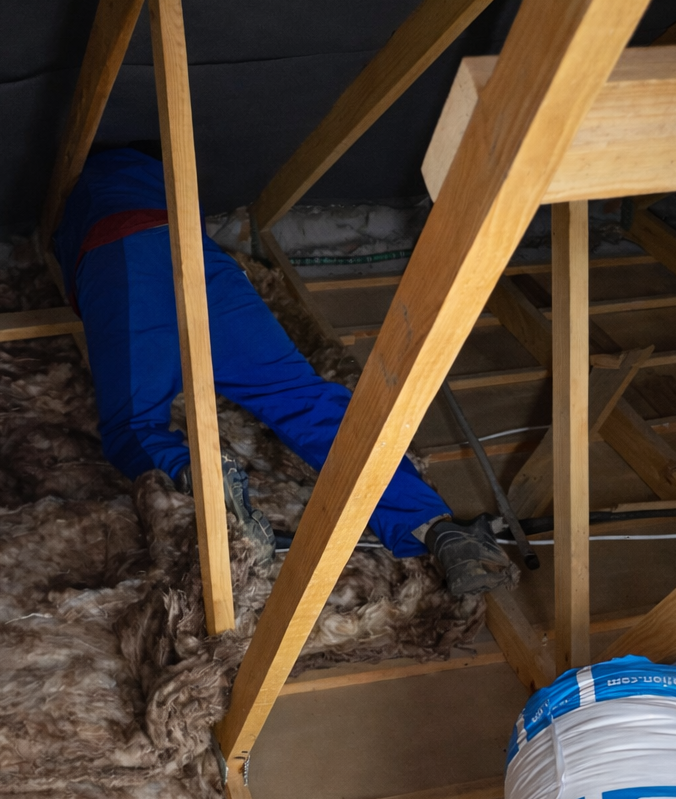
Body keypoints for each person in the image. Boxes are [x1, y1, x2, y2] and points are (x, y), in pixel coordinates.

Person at [53, 145, 511, 597]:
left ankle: (197, 473)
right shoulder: (163, 177)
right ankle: (437, 527)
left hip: (118, 259)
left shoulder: (73, 203)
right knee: (301, 398)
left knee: (132, 426)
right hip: (199, 257)